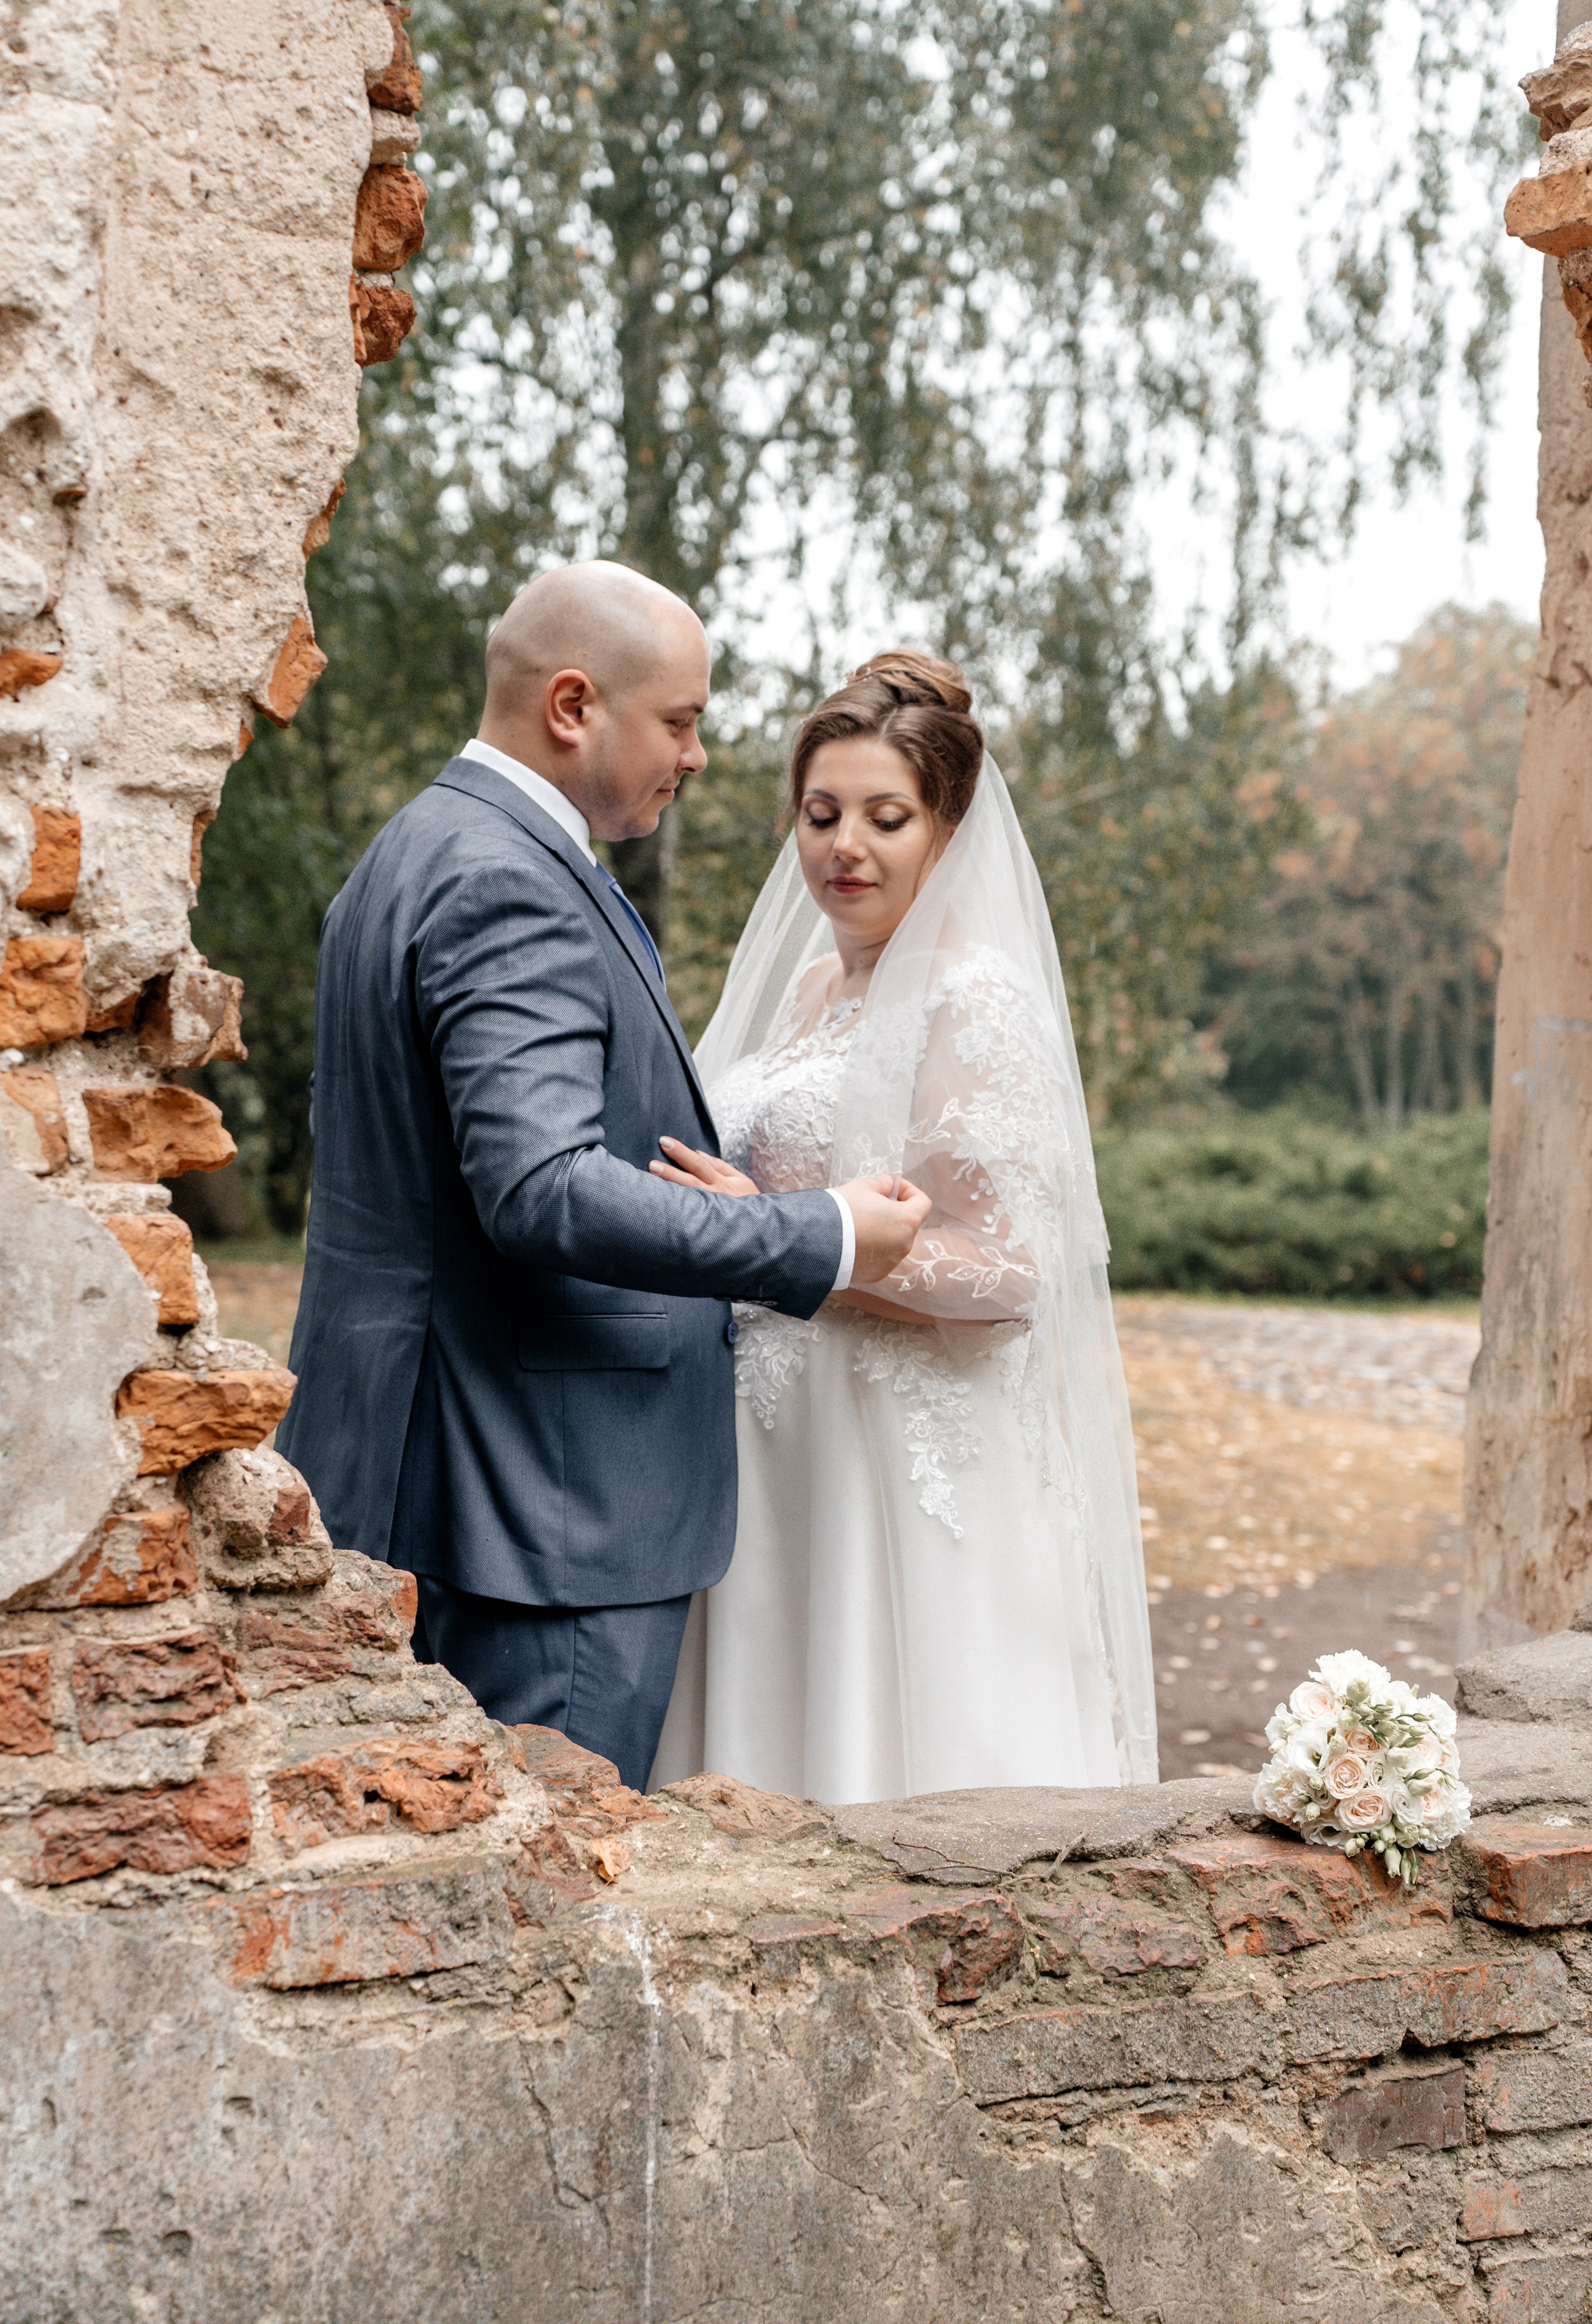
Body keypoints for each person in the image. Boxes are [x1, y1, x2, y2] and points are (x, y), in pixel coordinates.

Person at [275, 563, 930, 1793]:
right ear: (573, 706)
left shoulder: (413, 850)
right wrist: (819, 1235)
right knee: (544, 1908)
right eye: (678, 722)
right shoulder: (507, 877)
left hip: (436, 1467)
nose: (692, 757)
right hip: (543, 1509)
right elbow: (543, 1188)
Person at [649, 652, 1158, 1800]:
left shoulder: (974, 997)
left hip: (895, 1447)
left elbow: (1019, 1270)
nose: (846, 848)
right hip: (771, 1445)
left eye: (887, 818)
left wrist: (787, 1240)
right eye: (823, 814)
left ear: (947, 827)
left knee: (899, 1757)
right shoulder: (807, 995)